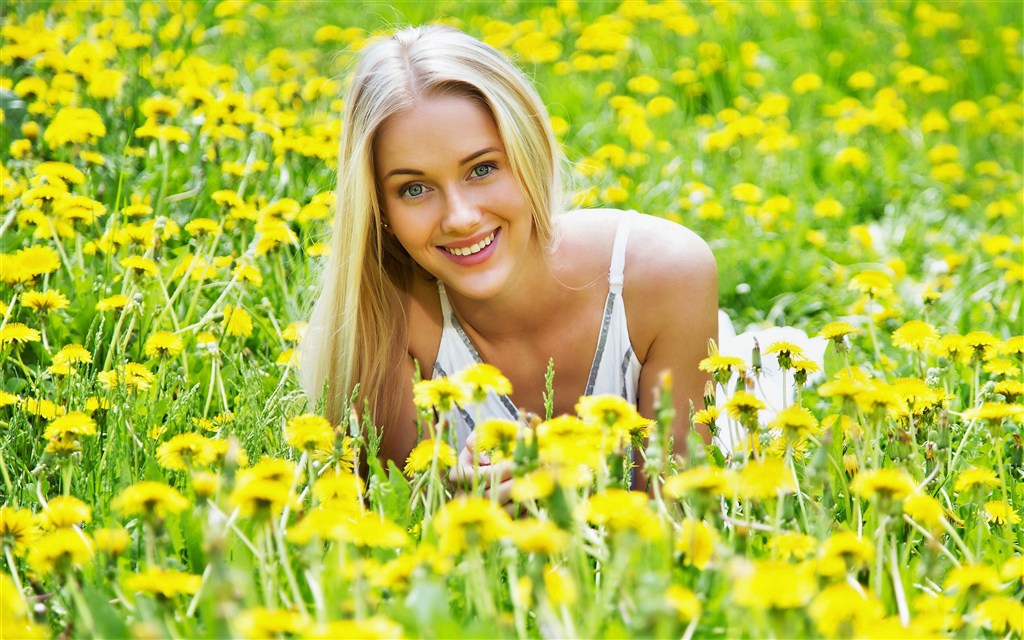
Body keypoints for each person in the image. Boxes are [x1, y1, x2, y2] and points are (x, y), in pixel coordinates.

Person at [301, 25, 718, 491]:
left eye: (482, 168)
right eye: (414, 188)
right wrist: (460, 512)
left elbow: (680, 517)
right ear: (379, 207)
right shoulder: (386, 319)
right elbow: (396, 524)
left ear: (532, 150)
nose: (459, 218)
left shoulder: (665, 275)